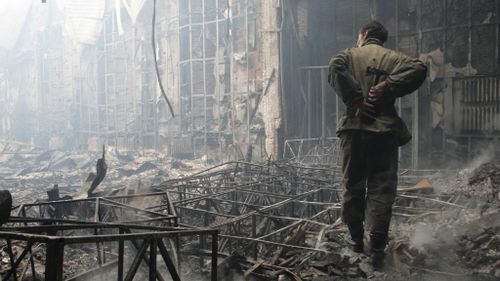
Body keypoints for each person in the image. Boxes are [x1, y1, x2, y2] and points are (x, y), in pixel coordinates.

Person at [328, 20, 427, 269]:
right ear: (382, 39)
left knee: (353, 186)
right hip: (384, 131)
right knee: (381, 189)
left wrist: (356, 99)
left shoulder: (349, 55)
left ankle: (355, 241)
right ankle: (378, 244)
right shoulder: (394, 58)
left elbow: (334, 66)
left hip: (354, 129)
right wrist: (388, 86)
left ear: (363, 35)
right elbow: (419, 68)